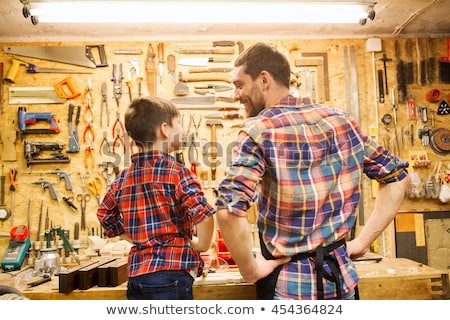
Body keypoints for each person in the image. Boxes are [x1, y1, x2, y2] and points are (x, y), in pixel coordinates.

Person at [215, 42, 410, 300]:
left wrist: (249, 271)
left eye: (240, 85)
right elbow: (397, 176)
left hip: (291, 290)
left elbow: (228, 211)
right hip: (343, 284)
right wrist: (361, 242)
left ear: (264, 79)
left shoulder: (258, 130)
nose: (235, 95)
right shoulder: (342, 121)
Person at [98, 96, 215, 300]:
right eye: (178, 123)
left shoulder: (122, 179)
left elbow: (105, 216)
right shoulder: (177, 173)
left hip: (137, 278)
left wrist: (137, 238)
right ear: (165, 129)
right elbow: (204, 215)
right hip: (172, 275)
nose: (182, 129)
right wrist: (201, 245)